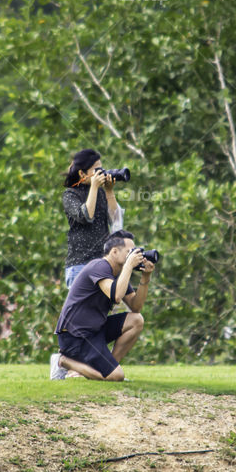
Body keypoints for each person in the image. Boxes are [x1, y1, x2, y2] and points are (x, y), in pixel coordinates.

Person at [50, 230, 155, 381]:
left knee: (136, 320)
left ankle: (107, 369)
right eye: (129, 252)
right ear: (114, 251)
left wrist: (146, 276)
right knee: (117, 376)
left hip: (94, 331)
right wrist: (128, 267)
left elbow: (136, 306)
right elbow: (116, 296)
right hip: (75, 336)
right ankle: (62, 362)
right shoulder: (98, 266)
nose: (134, 255)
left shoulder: (119, 274)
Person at [62, 149, 124, 289]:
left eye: (101, 169)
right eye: (96, 170)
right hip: (80, 264)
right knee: (83, 310)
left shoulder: (101, 193)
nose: (101, 173)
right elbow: (86, 216)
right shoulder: (70, 194)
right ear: (82, 173)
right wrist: (95, 187)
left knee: (101, 309)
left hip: (103, 263)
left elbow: (115, 220)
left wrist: (109, 190)